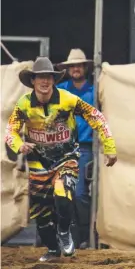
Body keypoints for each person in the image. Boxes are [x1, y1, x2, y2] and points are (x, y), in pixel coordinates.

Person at [5, 57, 117, 262]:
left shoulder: (68, 99)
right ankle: (52, 249)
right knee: (41, 214)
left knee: (63, 192)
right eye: (40, 78)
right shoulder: (24, 104)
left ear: (54, 80)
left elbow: (97, 117)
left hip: (67, 157)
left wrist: (109, 147)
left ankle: (65, 231)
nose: (45, 82)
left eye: (48, 77)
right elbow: (10, 131)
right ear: (33, 81)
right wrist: (18, 145)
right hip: (38, 163)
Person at [56, 48, 95, 249]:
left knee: (79, 193)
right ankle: (66, 237)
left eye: (79, 65)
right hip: (60, 148)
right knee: (61, 193)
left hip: (85, 148)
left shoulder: (94, 92)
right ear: (68, 69)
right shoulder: (60, 90)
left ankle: (84, 236)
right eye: (72, 66)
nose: (76, 69)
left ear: (85, 68)